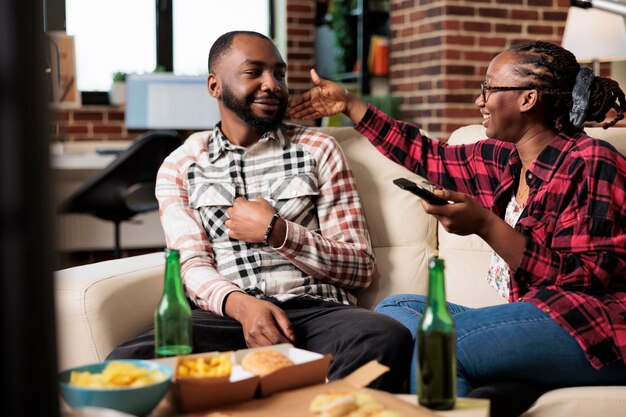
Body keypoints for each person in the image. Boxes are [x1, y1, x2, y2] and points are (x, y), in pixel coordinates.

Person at [288, 40, 626, 396]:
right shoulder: (503, 159)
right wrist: (352, 106)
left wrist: (486, 226)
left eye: (490, 88)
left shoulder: (590, 161)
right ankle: (500, 381)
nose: (480, 100)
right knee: (396, 310)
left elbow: (584, 280)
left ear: (528, 99)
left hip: (594, 328)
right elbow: (426, 154)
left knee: (443, 346)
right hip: (537, 316)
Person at [107, 30, 412, 392]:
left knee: (383, 336)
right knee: (124, 367)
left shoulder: (319, 149)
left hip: (316, 311)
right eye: (255, 72)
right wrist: (244, 306)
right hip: (227, 315)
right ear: (215, 86)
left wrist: (278, 232)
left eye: (279, 74)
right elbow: (191, 264)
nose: (272, 85)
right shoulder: (182, 165)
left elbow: (360, 267)